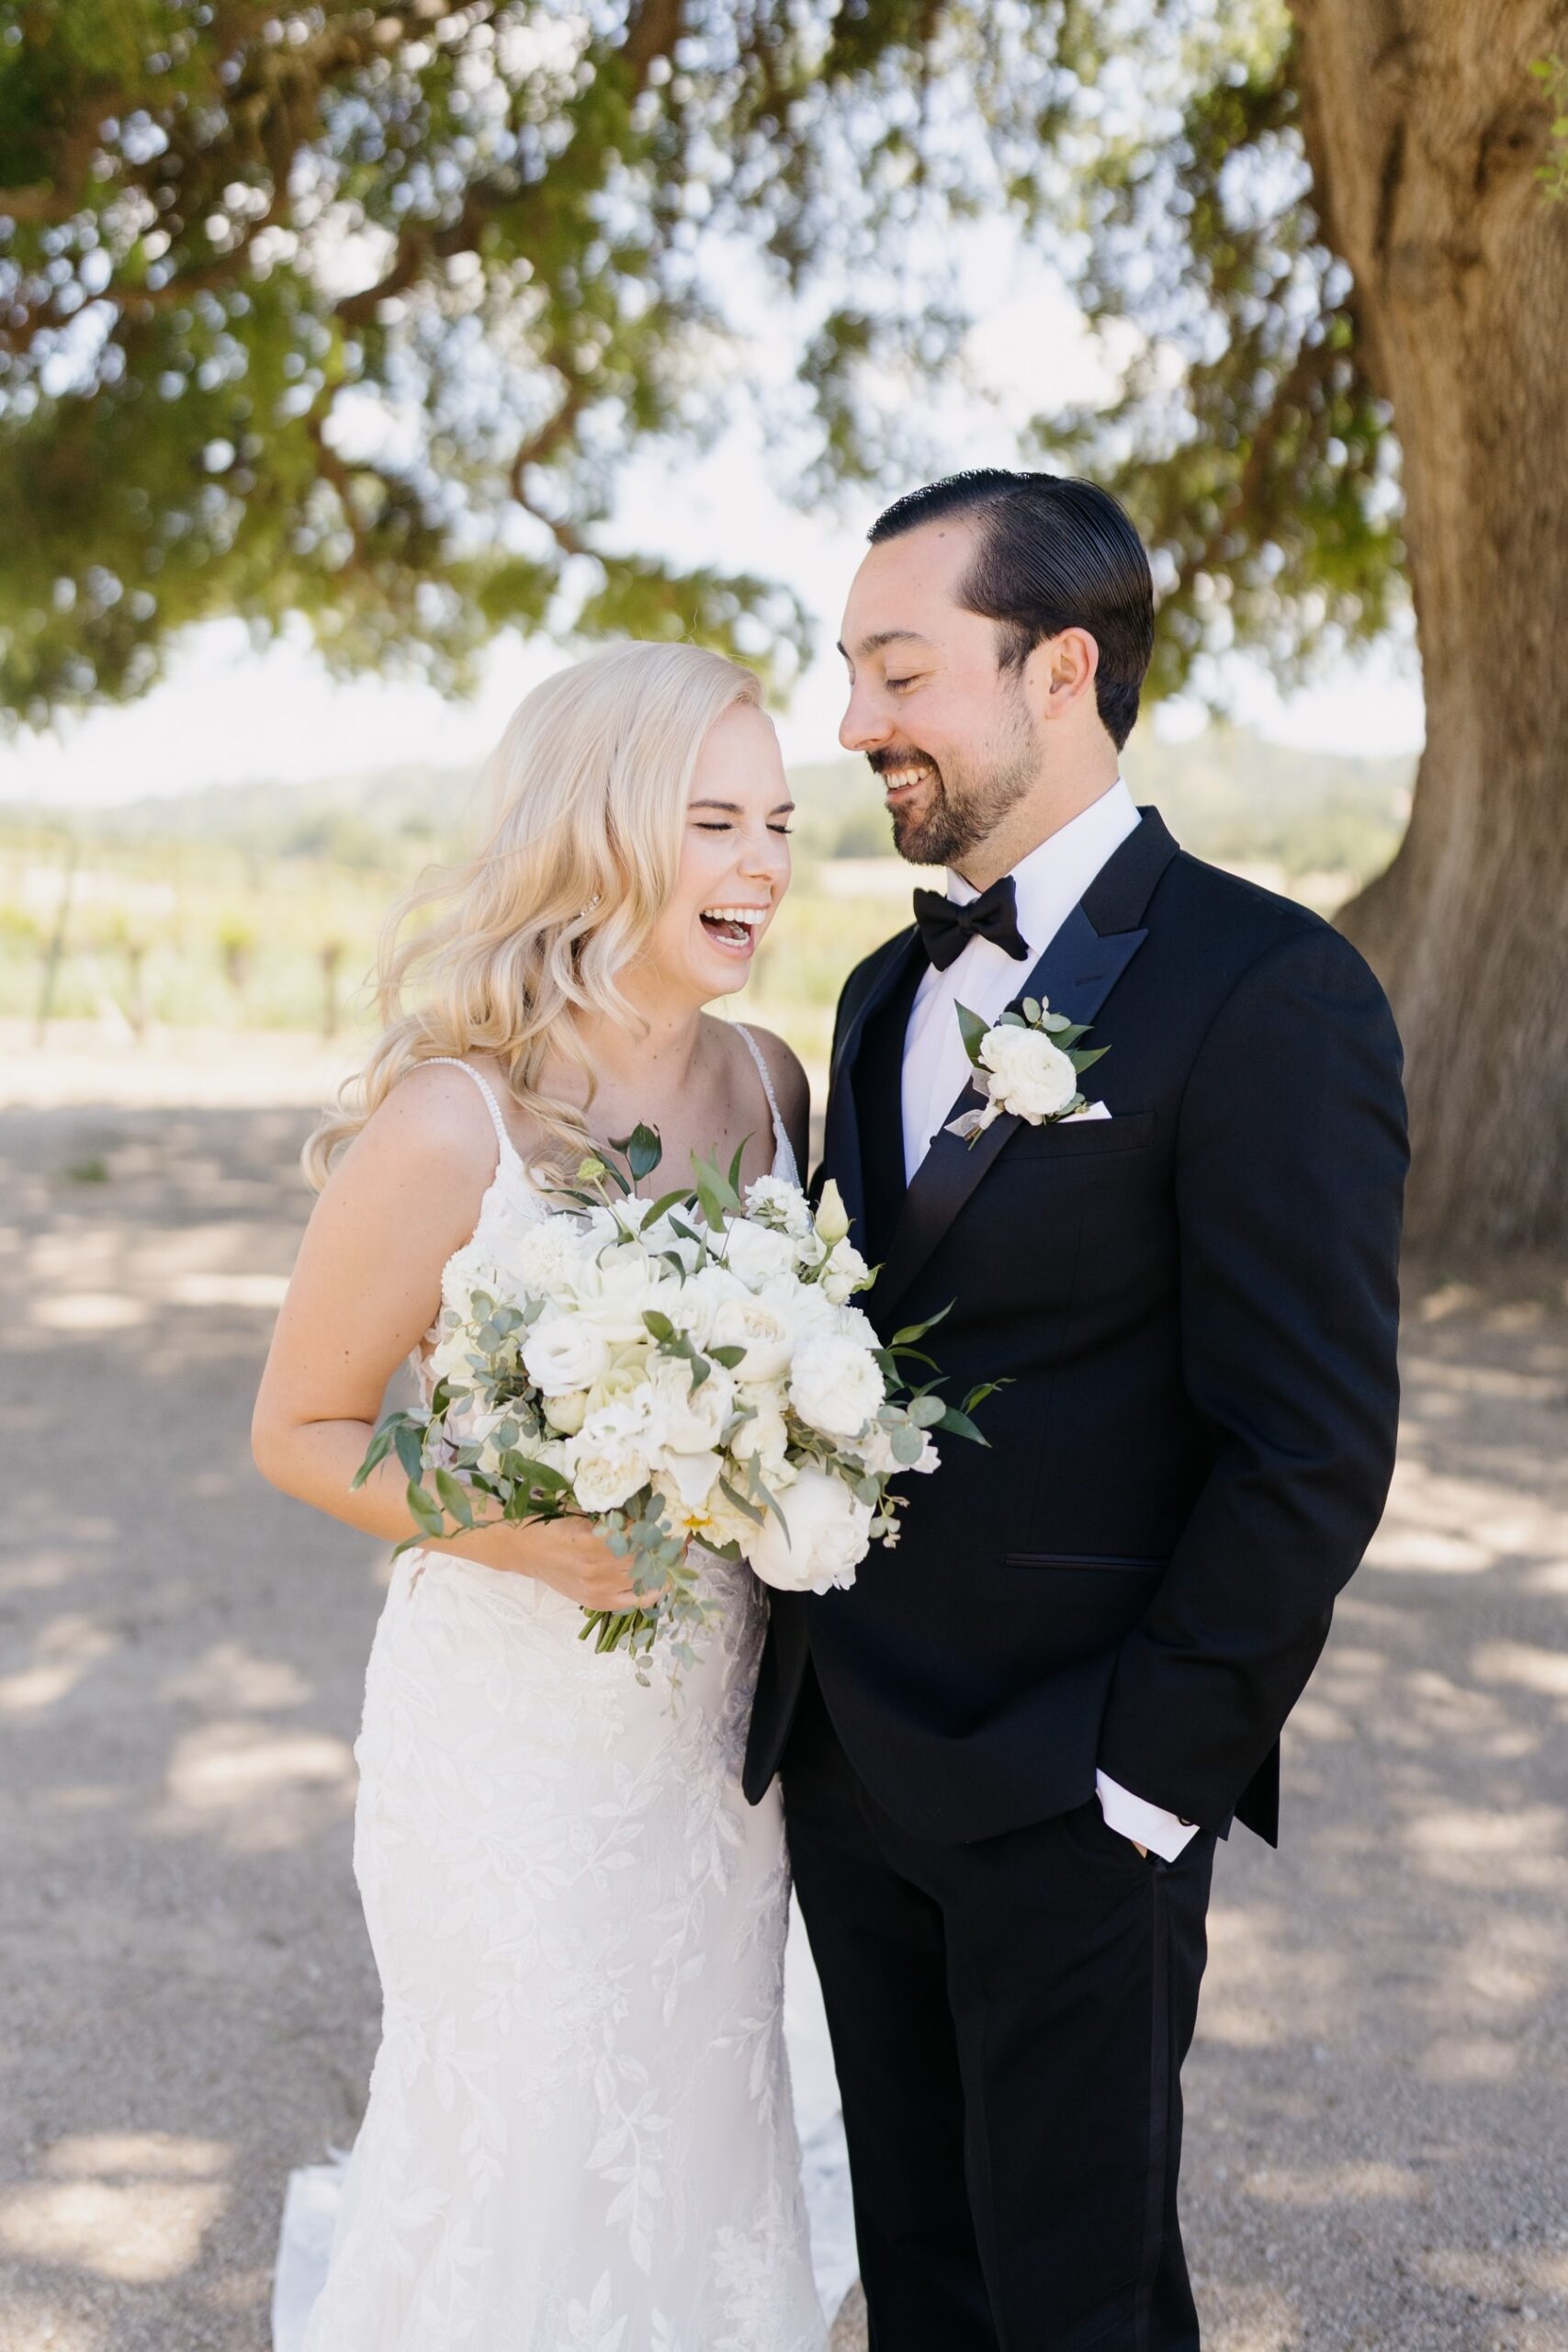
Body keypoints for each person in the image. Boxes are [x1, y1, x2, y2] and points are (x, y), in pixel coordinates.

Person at [745, 469, 1409, 2350]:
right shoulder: (880, 990)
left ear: (1054, 669)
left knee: (1078, 2301)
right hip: (852, 1758)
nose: (855, 720)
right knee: (928, 2286)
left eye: (894, 668)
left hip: (1072, 1784)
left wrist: (1142, 1781)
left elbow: (1307, 1442)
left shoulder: (1268, 987)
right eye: (848, 673)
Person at [252, 641, 827, 2352]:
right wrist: (532, 1541)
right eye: (714, 821)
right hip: (510, 1739)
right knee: (523, 2152)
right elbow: (302, 1422)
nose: (764, 867)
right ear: (605, 834)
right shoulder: (453, 1121)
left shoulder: (775, 1085)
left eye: (781, 824)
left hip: (718, 1735)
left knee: (703, 2134)